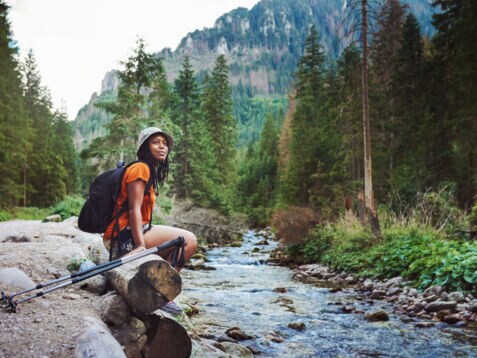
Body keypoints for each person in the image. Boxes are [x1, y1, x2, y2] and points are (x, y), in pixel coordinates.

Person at [103, 127, 198, 313]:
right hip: (125, 237)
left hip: (128, 233)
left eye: (165, 144)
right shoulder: (141, 168)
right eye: (156, 142)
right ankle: (161, 291)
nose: (162, 147)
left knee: (181, 243)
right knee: (189, 241)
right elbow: (134, 209)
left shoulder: (147, 170)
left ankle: (154, 289)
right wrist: (140, 245)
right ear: (144, 147)